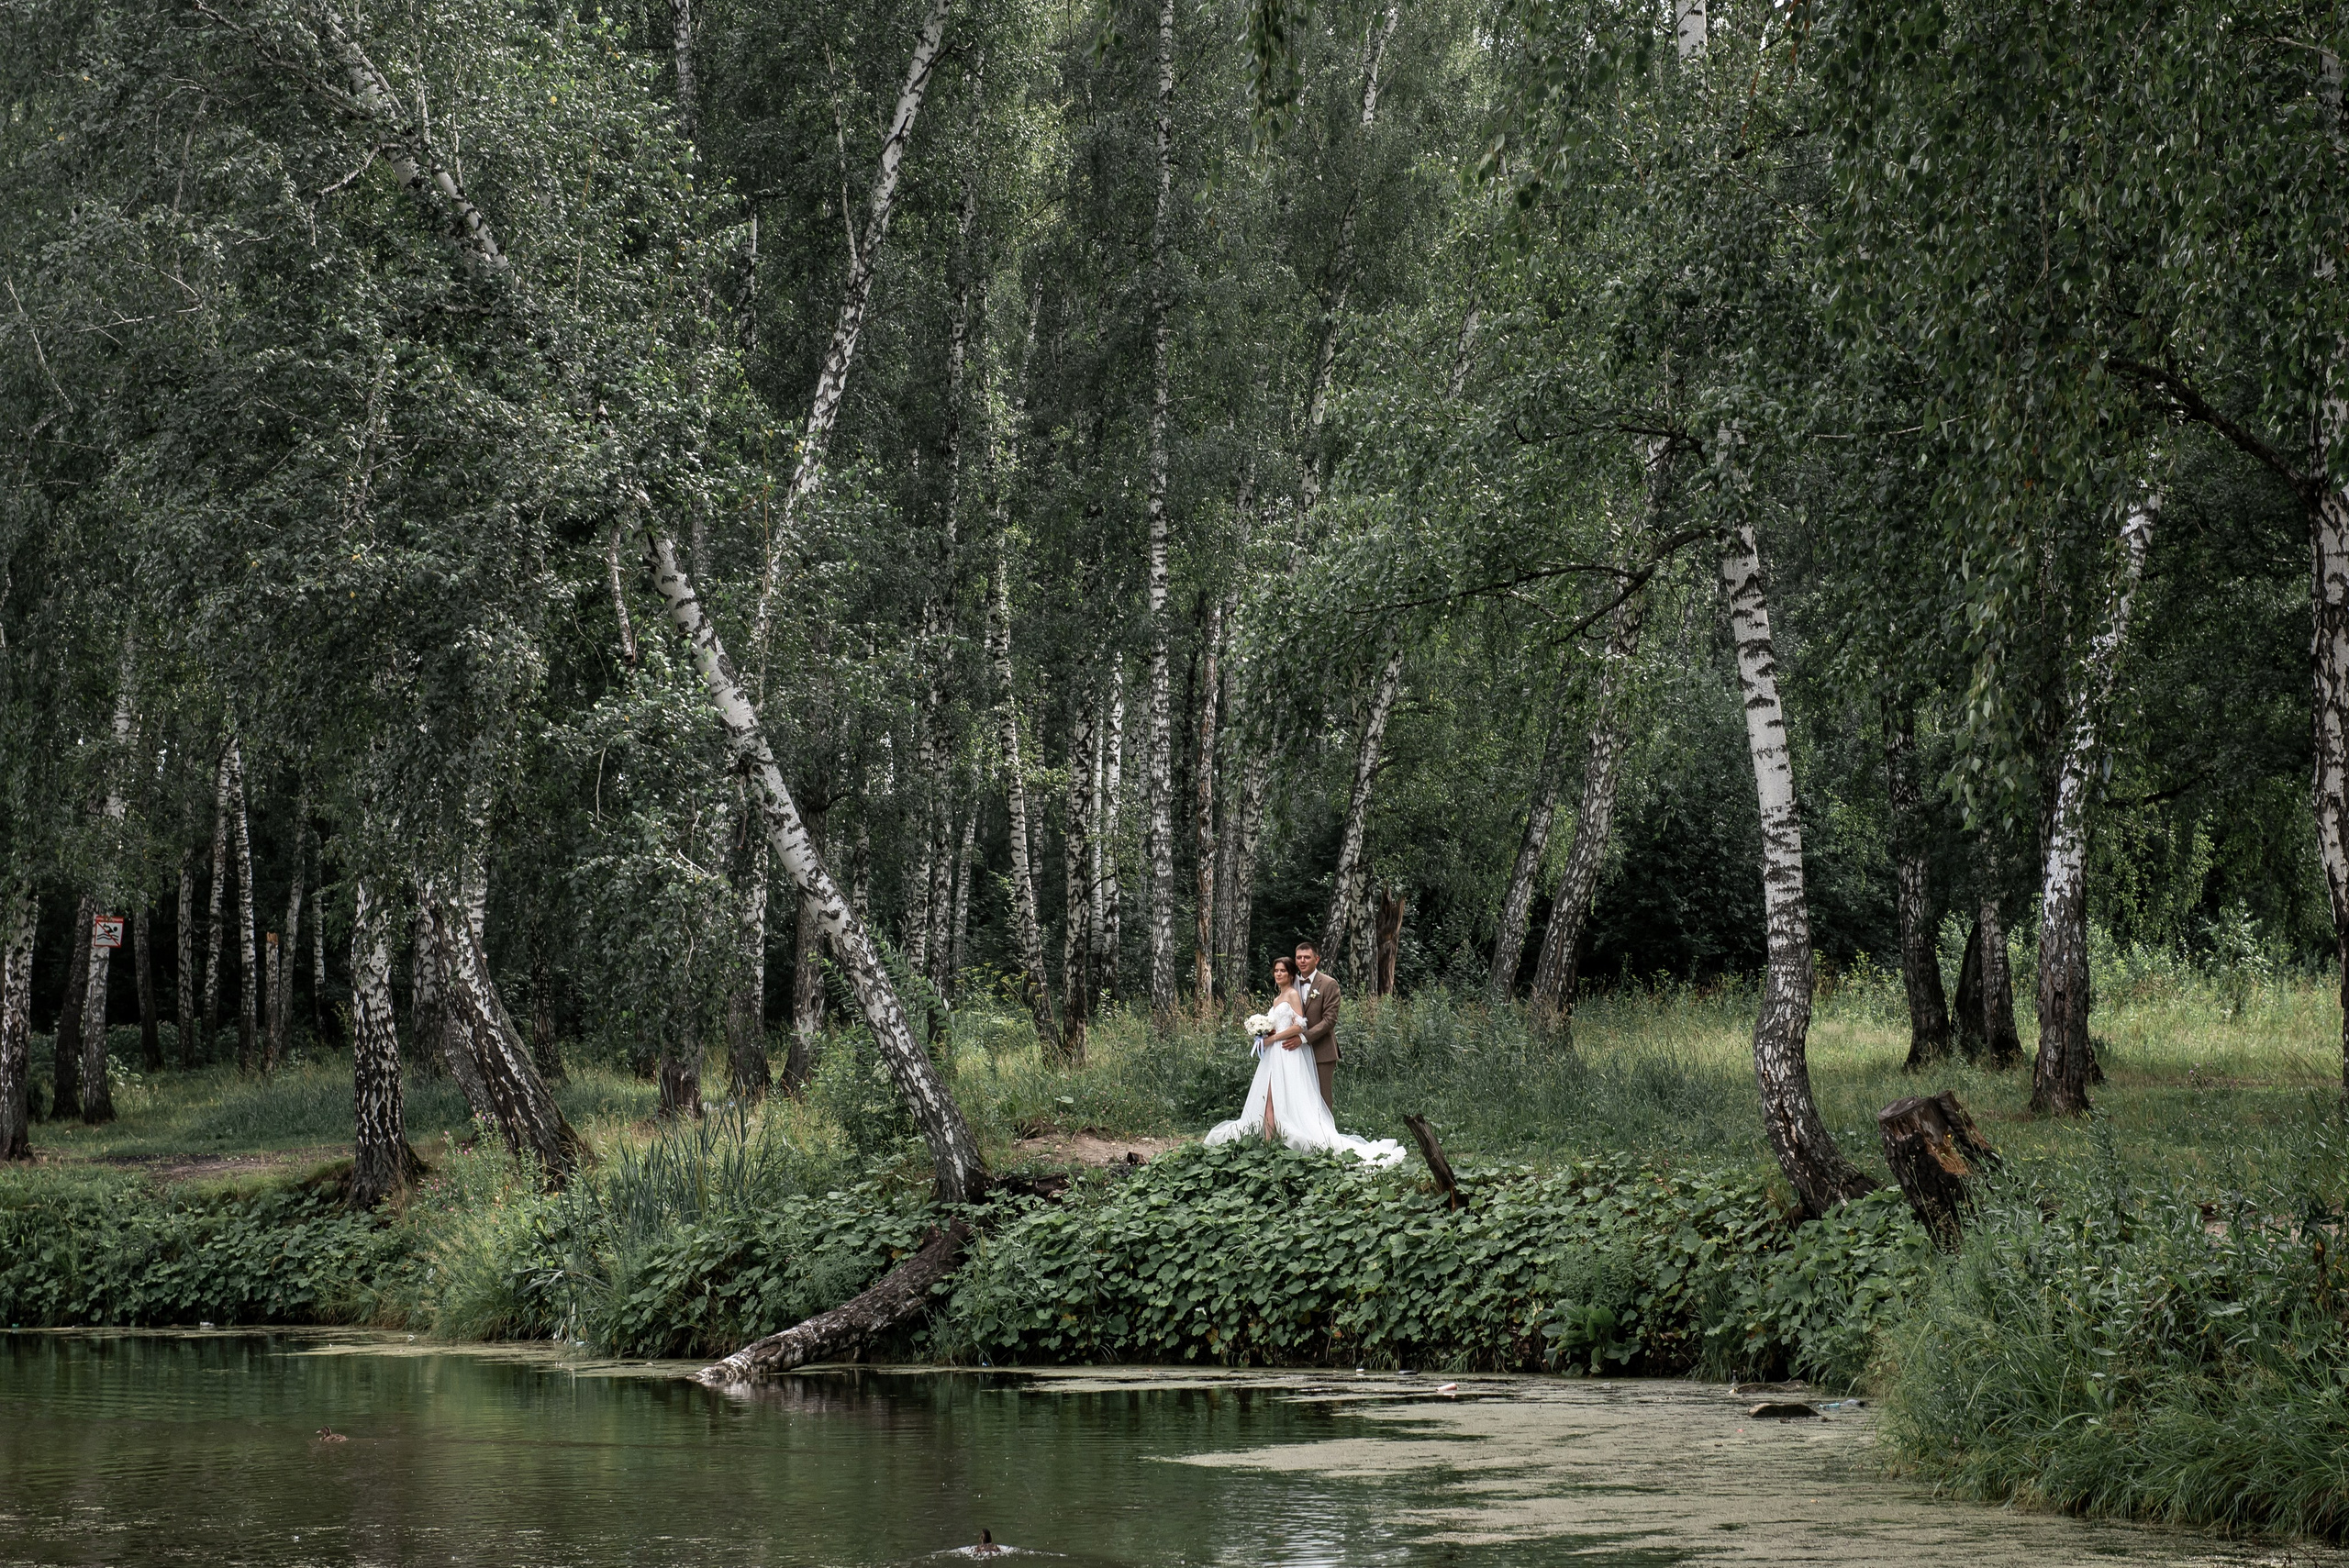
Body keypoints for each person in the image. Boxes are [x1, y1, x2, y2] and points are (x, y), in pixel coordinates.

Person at [1203, 955, 1401, 1164]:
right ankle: (1269, 1142)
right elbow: (1279, 1025)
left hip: (1287, 1053)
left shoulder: (1292, 995)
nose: (1279, 974)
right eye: (1276, 971)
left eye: (1283, 971)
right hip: (1273, 1055)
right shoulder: (1277, 999)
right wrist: (1262, 1032)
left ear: (1291, 975)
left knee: (1279, 1096)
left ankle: (1274, 1143)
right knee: (1268, 1097)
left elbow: (1300, 1026)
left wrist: (1273, 1039)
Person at [1294, 939, 1340, 1109]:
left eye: (1307, 957)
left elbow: (1330, 1019)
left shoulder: (1329, 984)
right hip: (1296, 1052)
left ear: (1316, 959)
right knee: (1300, 1096)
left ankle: (1325, 1127)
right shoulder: (1291, 983)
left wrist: (1303, 1038)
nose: (1302, 961)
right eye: (1299, 957)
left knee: (1322, 1098)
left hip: (1322, 1050)